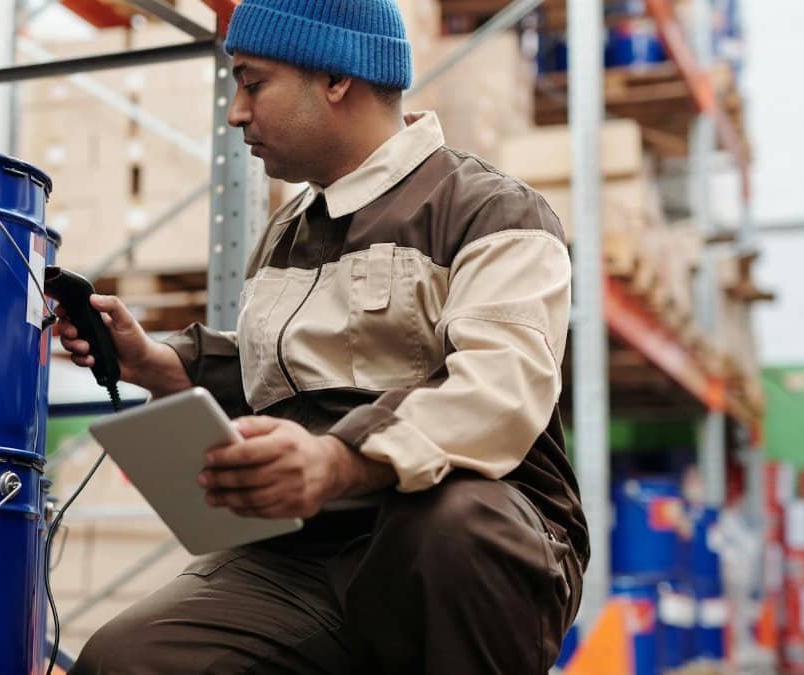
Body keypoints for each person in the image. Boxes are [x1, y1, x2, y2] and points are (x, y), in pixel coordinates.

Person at [60, 0, 588, 672]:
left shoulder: (492, 212)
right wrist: (158, 363)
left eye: (252, 84)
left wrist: (336, 460)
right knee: (125, 657)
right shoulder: (287, 233)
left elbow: (497, 394)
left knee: (447, 529)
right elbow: (290, 385)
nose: (235, 113)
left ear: (337, 77)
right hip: (306, 550)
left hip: (472, 540)